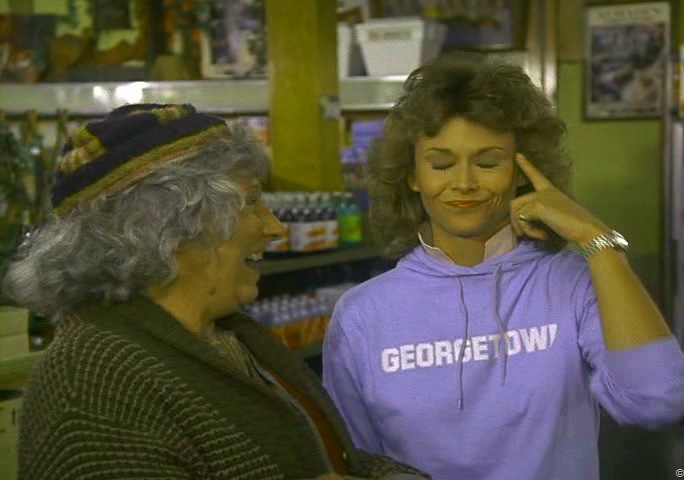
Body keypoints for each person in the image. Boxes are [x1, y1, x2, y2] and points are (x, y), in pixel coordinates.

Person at [321, 53, 684, 480]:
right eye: (441, 164)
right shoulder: (361, 315)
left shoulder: (573, 283)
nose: (464, 183)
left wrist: (597, 239)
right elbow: (355, 461)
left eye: (488, 163)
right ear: (412, 175)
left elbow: (659, 401)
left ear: (522, 171)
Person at [2, 104, 429, 480]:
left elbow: (329, 455)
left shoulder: (229, 334)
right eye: (251, 204)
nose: (275, 228)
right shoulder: (91, 386)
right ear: (168, 227)